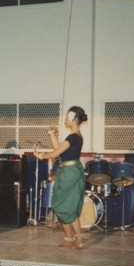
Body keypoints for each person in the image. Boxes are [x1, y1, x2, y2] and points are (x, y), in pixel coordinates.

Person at [33, 106, 87, 249]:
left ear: (73, 119)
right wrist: (51, 133)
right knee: (65, 206)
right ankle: (71, 239)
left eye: (66, 117)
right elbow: (59, 150)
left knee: (63, 206)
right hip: (69, 171)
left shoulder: (73, 137)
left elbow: (54, 154)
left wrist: (40, 155)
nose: (64, 120)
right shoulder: (74, 137)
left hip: (70, 173)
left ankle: (76, 240)